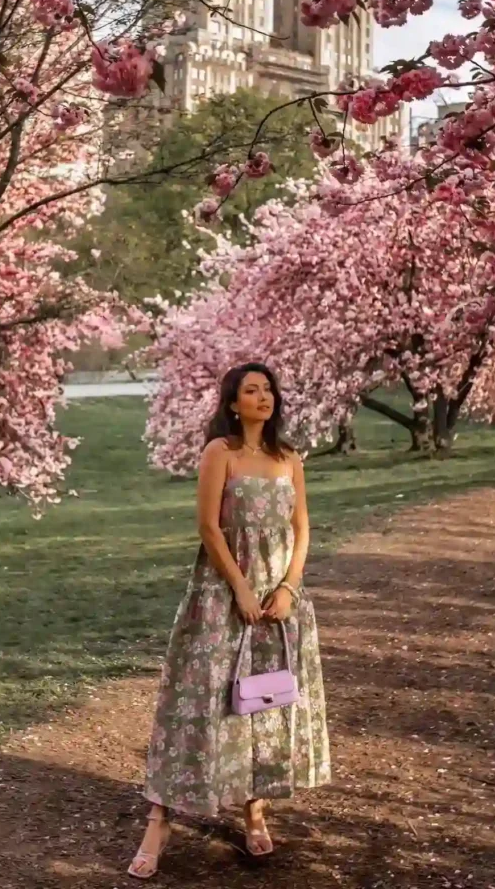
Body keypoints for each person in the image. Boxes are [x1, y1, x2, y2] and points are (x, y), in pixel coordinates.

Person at [128, 362, 331, 879]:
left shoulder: (289, 458)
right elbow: (208, 527)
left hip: (278, 601)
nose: (263, 397)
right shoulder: (220, 452)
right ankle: (159, 818)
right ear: (233, 403)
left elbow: (302, 528)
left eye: (268, 389)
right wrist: (240, 586)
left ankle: (254, 808)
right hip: (222, 594)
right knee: (200, 701)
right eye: (251, 390)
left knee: (264, 701)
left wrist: (287, 588)